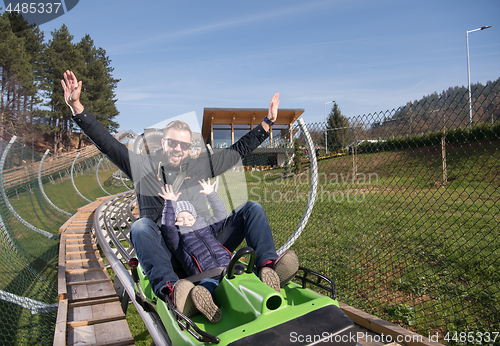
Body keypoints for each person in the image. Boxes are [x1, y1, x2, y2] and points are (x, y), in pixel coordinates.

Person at [61, 70, 299, 311]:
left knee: (252, 209)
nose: (178, 148)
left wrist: (267, 123)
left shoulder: (198, 167)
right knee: (141, 226)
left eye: (183, 144)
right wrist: (77, 107)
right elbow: (110, 145)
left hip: (205, 239)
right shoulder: (144, 167)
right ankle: (174, 291)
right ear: (163, 143)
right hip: (170, 247)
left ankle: (268, 266)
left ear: (188, 147)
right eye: (172, 142)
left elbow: (236, 151)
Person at [158, 179, 230, 323]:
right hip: (206, 275)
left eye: (190, 218)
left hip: (228, 266)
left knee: (248, 275)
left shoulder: (206, 227)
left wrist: (211, 194)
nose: (186, 222)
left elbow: (221, 216)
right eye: (180, 220)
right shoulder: (177, 240)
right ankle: (210, 307)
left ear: (196, 217)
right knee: (206, 288)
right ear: (175, 223)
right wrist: (170, 203)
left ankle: (265, 285)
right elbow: (168, 228)